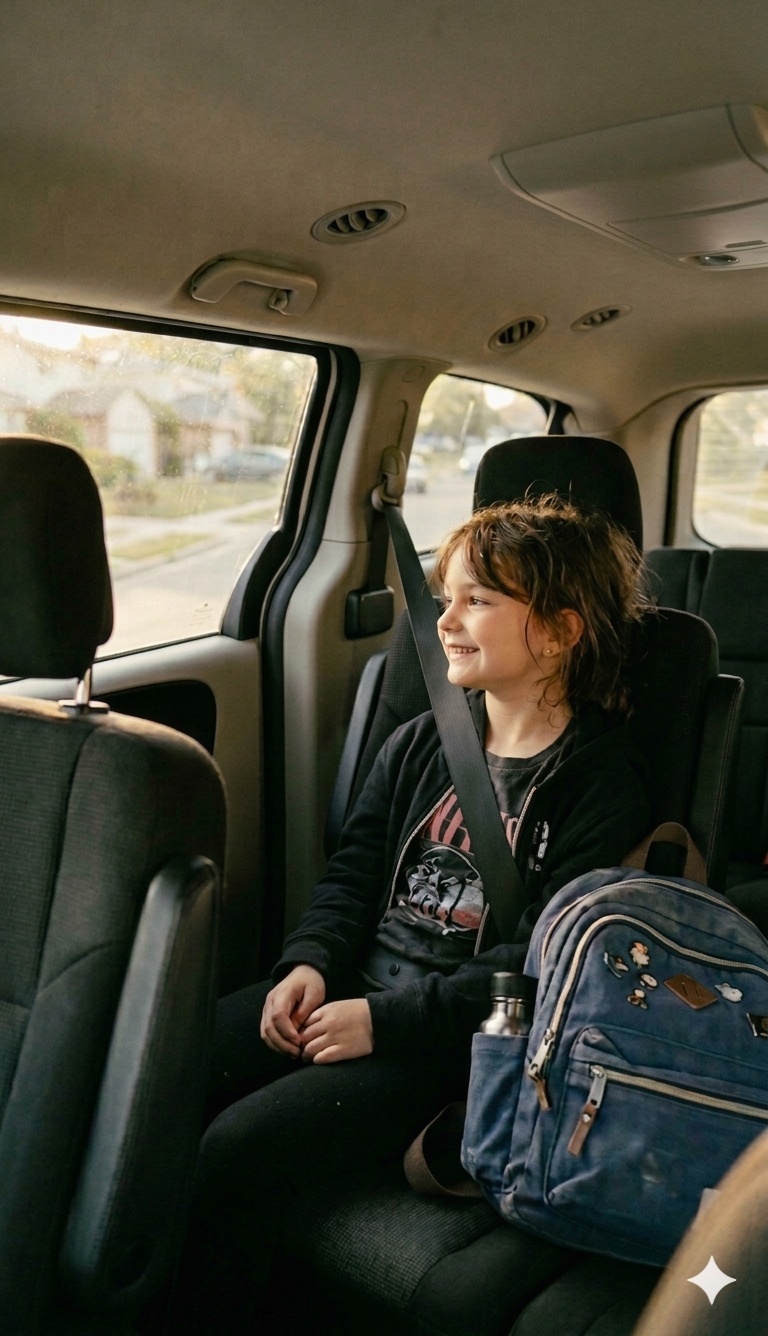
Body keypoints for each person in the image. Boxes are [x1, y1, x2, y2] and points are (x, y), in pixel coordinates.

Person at [175, 495, 652, 1334]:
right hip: (350, 988)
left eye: (479, 600)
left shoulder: (600, 784)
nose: (446, 618)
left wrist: (383, 1024)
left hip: (453, 1038)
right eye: (444, 598)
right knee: (163, 1075)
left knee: (234, 1153)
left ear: (561, 631)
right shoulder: (424, 740)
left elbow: (544, 969)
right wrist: (308, 964)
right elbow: (353, 874)